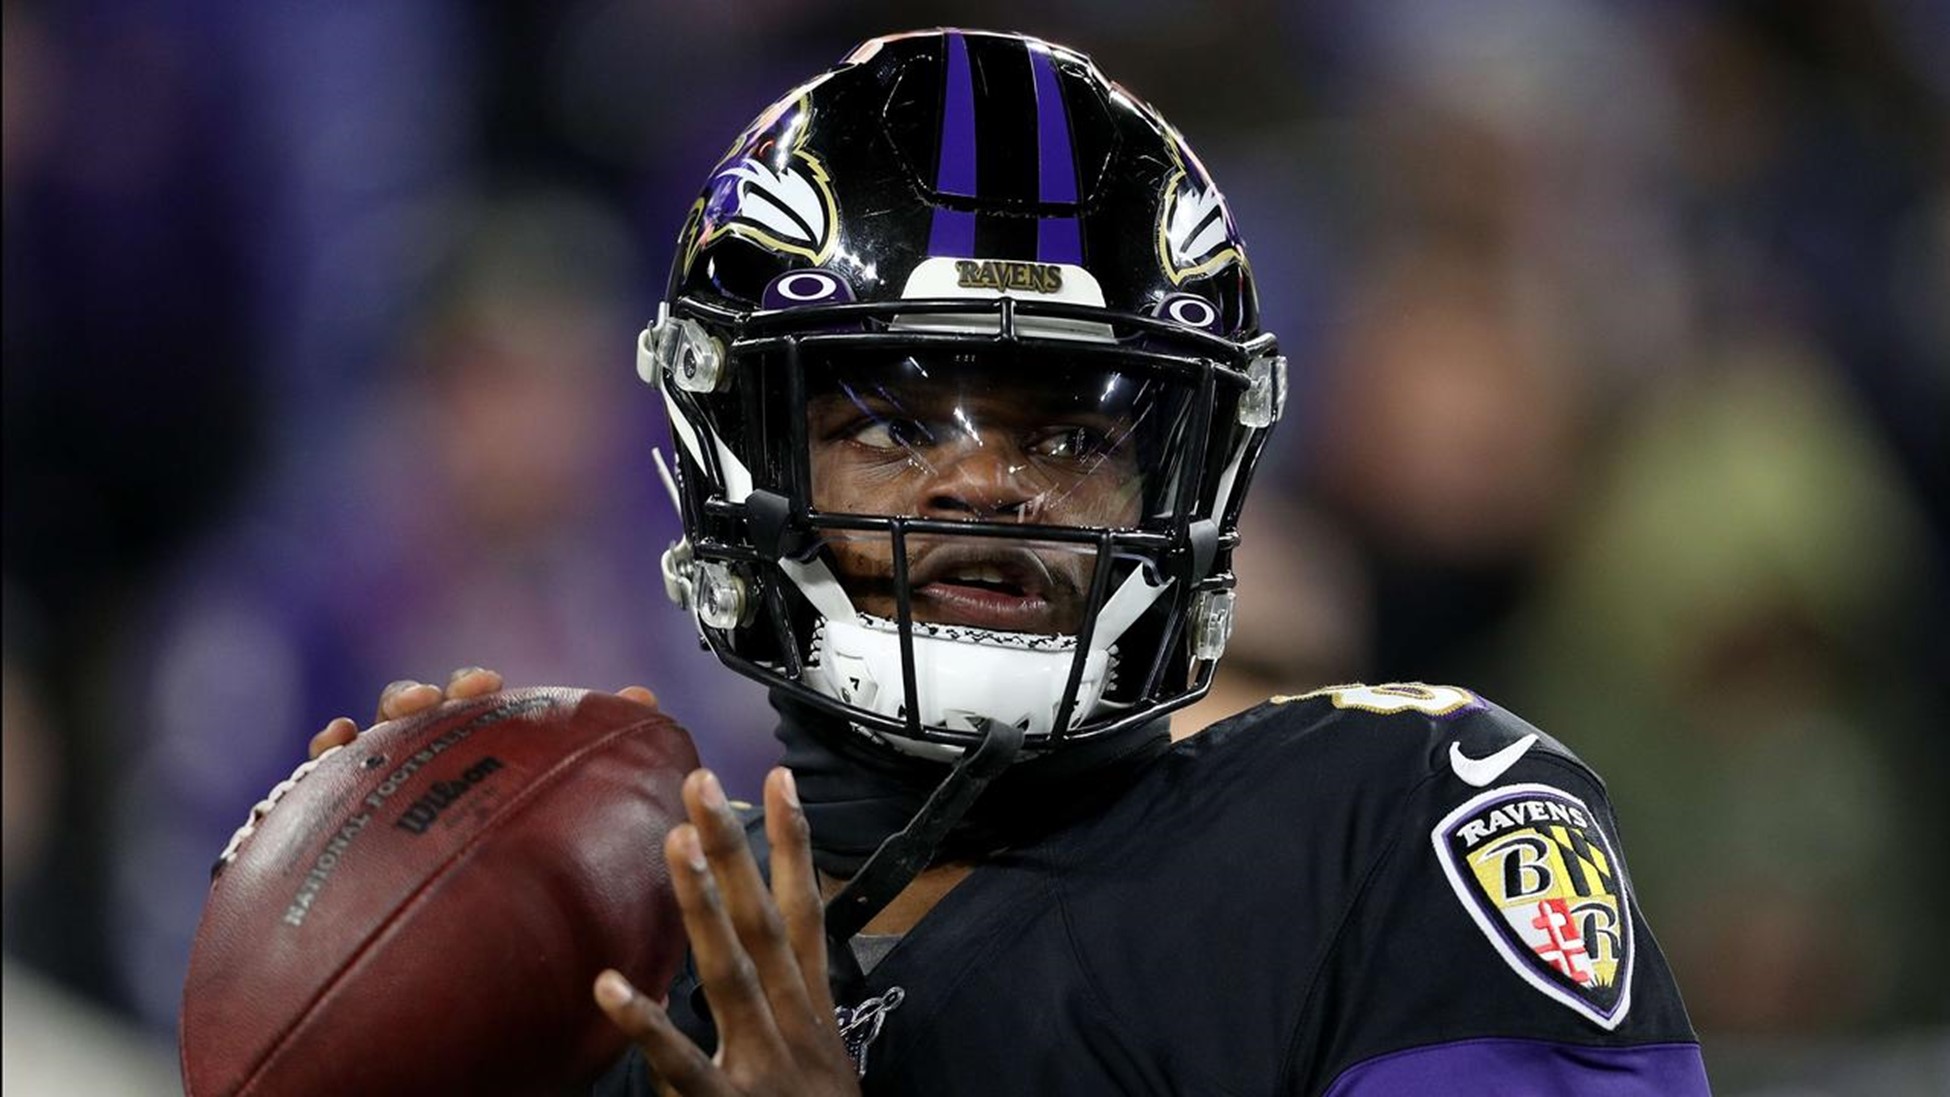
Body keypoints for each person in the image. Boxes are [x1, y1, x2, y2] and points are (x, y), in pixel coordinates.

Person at [308, 30, 1711, 1095]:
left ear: (1183, 473)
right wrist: (386, 968)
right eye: (896, 422)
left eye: (1068, 434)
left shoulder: (1388, 834)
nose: (984, 477)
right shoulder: (622, 947)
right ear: (738, 458)